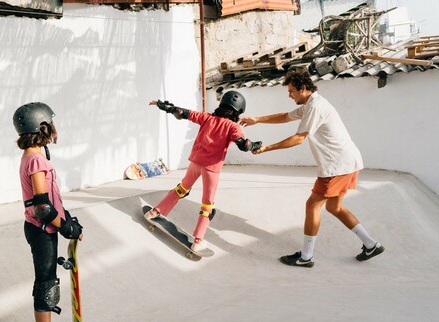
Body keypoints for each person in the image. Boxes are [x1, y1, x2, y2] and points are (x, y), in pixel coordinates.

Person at [240, 70, 384, 267]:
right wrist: (256, 120)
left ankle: (306, 257)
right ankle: (371, 244)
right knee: (334, 207)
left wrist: (267, 148)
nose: (289, 95)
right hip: (347, 161)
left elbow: (299, 138)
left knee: (313, 205)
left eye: (291, 91)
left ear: (303, 88)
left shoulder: (315, 107)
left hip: (337, 165)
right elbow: (285, 117)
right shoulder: (309, 104)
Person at [13, 102, 84, 322]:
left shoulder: (33, 157)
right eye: (50, 123)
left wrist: (67, 221)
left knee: (46, 283)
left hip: (41, 228)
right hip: (42, 231)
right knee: (46, 287)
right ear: (41, 126)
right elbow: (42, 205)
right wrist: (64, 227)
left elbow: (50, 200)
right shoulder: (35, 160)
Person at [144, 90, 261, 251]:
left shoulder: (207, 118)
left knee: (181, 189)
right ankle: (197, 241)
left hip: (195, 163)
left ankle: (155, 212)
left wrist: (163, 106)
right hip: (211, 169)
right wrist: (254, 145)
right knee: (207, 205)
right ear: (238, 111)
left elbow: (181, 112)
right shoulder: (233, 126)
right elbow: (244, 145)